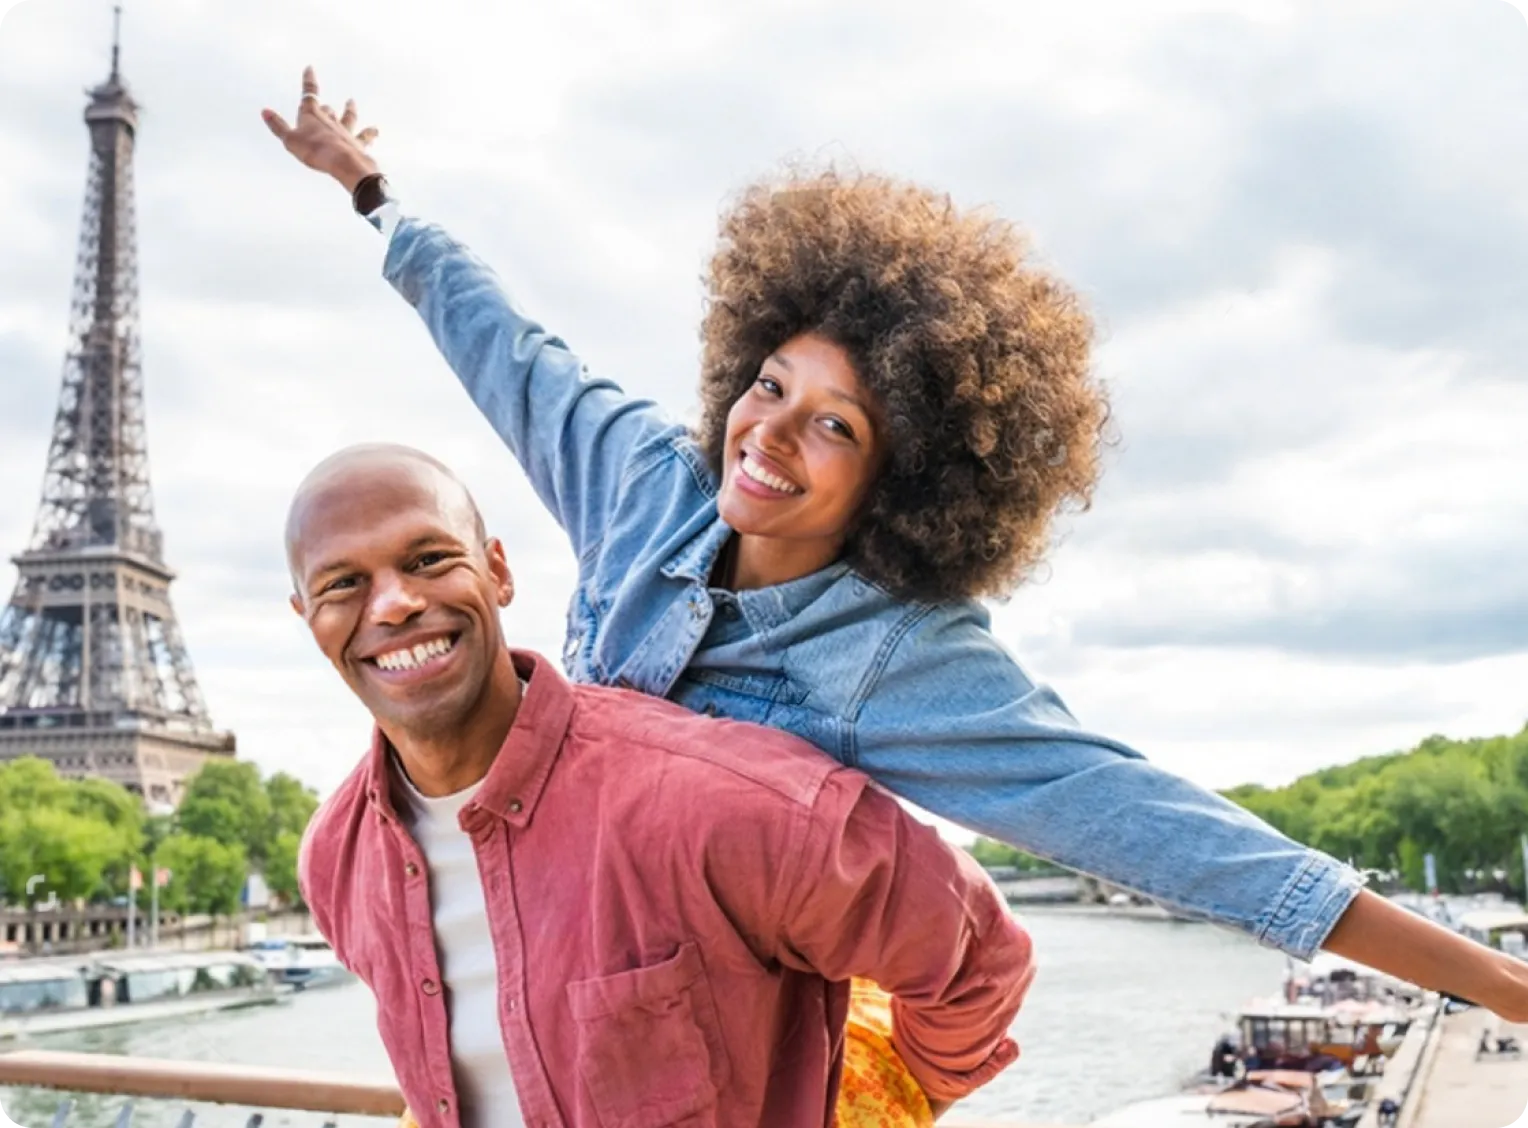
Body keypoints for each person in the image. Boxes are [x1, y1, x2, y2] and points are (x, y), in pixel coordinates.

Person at [262, 69, 1528, 1023]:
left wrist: (1503, 989)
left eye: (835, 427)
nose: (768, 437)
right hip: (554, 969)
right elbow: (511, 352)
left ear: (901, 479)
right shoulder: (648, 481)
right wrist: (373, 195)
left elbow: (1172, 831)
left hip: (721, 1019)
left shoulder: (901, 661)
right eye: (767, 385)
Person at [289, 444, 1034, 1128]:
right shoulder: (337, 862)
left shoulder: (717, 799)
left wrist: (873, 1104)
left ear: (498, 571)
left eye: (427, 559)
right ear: (308, 618)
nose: (392, 604)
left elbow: (978, 959)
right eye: (344, 583)